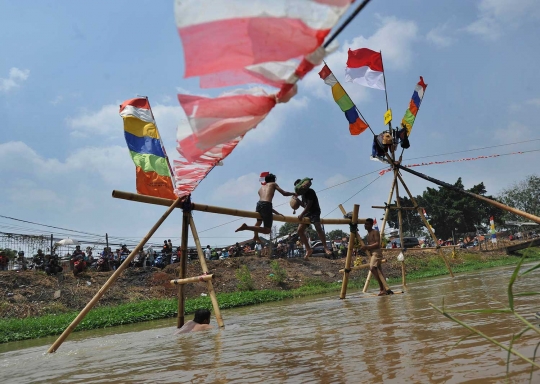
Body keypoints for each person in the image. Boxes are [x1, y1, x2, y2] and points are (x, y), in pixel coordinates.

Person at [235, 173, 295, 242]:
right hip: (266, 206)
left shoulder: (260, 189)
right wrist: (293, 193)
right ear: (272, 180)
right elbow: (284, 193)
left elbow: (264, 204)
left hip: (259, 205)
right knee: (267, 230)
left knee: (259, 222)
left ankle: (255, 236)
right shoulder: (273, 184)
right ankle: (246, 227)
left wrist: (277, 213)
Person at [293, 178, 332, 259]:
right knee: (300, 231)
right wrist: (297, 200)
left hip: (314, 212)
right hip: (307, 213)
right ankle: (308, 249)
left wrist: (301, 214)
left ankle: (325, 247)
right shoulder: (303, 195)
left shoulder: (311, 191)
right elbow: (304, 205)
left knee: (318, 227)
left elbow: (309, 205)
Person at [360, 218, 393, 296]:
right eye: (365, 224)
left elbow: (377, 244)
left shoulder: (375, 232)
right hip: (372, 254)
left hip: (376, 253)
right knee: (379, 271)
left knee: (372, 268)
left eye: (367, 224)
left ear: (371, 225)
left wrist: (367, 247)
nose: (365, 225)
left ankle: (382, 288)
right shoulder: (368, 235)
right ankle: (384, 288)